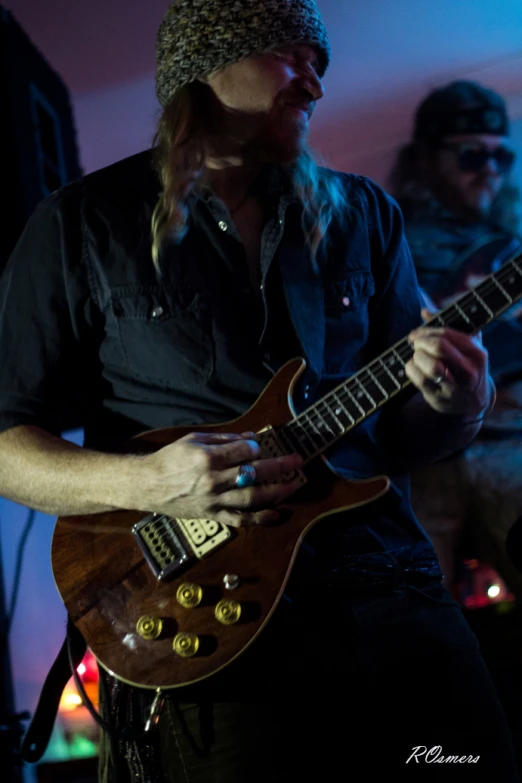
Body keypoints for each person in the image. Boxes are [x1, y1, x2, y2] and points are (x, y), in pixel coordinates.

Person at [0, 2, 519, 780]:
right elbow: (7, 447)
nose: (313, 82)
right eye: (291, 56)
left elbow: (410, 440)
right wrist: (149, 481)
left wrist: (460, 403)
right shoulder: (79, 226)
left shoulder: (363, 216)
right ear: (207, 64)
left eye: (321, 62)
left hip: (387, 587)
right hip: (213, 618)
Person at [389, 81, 522, 598]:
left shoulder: (510, 240)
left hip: (508, 441)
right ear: (426, 157)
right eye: (470, 155)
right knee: (419, 614)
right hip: (418, 458)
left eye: (501, 156)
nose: (489, 169)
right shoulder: (385, 235)